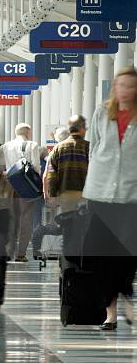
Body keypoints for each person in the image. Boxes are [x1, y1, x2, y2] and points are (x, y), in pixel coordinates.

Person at [82, 67, 137, 331]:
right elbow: (93, 147)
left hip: (131, 194)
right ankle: (110, 311)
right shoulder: (102, 112)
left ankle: (126, 294)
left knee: (126, 253)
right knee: (99, 253)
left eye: (129, 85)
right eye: (120, 85)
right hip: (101, 192)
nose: (124, 90)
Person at [1, 123, 41, 262]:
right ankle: (21, 254)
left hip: (10, 185)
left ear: (15, 132)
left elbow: (2, 166)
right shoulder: (32, 145)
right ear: (28, 133)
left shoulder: (6, 146)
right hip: (26, 186)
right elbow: (36, 167)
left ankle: (7, 251)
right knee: (26, 218)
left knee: (10, 217)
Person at [44, 115, 89, 212]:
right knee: (83, 222)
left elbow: (51, 174)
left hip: (65, 192)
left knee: (67, 221)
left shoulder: (58, 147)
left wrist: (52, 195)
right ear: (82, 129)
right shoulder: (88, 146)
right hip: (85, 193)